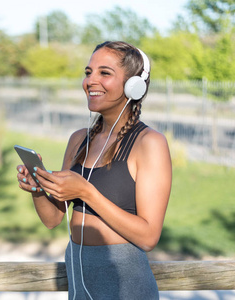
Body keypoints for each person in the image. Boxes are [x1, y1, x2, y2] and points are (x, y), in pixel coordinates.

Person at [16, 41, 172, 299]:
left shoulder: (149, 143)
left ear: (134, 86)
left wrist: (88, 193)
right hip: (80, 283)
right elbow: (53, 219)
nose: (91, 81)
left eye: (104, 73)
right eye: (88, 72)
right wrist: (37, 187)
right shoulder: (79, 140)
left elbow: (148, 237)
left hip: (127, 287)